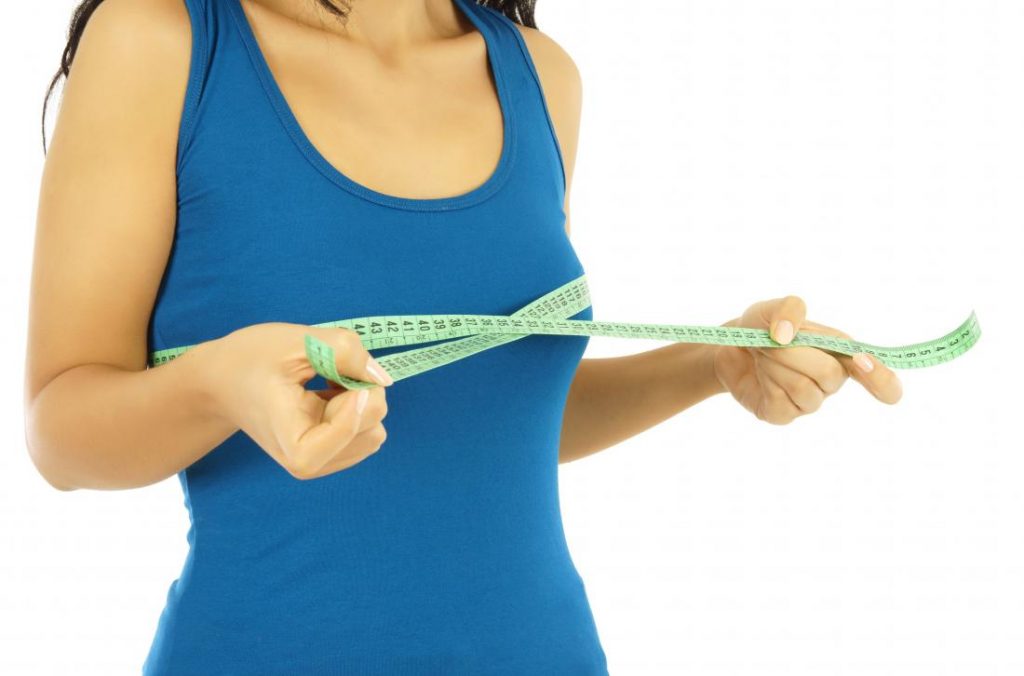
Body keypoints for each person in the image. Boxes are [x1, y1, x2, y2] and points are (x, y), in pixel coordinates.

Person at [24, 0, 904, 673]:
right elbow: (58, 432)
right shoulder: (164, 42)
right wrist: (217, 384)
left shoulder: (539, 74)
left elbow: (497, 418)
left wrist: (711, 363)